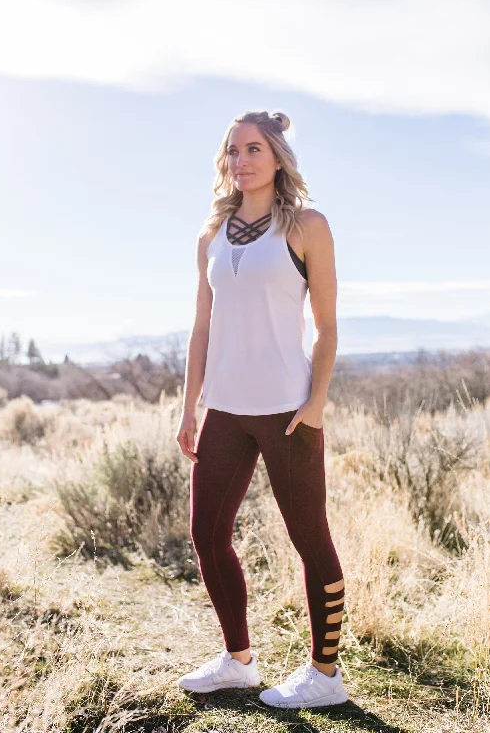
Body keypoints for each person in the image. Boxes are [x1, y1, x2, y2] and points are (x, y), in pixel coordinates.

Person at [175, 109, 348, 709]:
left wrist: (316, 402)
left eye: (252, 149)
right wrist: (189, 406)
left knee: (309, 537)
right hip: (224, 406)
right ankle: (238, 661)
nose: (240, 160)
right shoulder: (211, 236)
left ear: (276, 156)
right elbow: (202, 328)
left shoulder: (305, 226)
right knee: (206, 532)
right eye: (231, 151)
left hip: (287, 409)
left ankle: (325, 675)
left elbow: (326, 329)